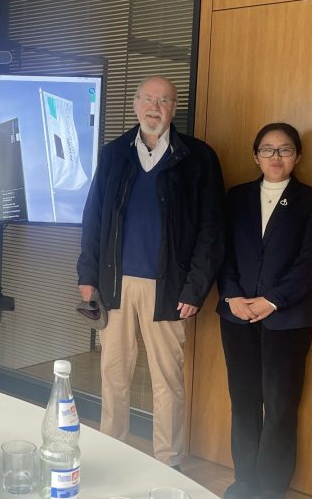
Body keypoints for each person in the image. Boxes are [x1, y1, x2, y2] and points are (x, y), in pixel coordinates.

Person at [77, 75, 224, 468]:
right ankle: (112, 453)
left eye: (164, 101)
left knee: (167, 380)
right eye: (148, 99)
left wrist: (195, 290)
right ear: (135, 104)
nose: (154, 108)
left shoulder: (198, 158)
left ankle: (167, 461)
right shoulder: (114, 154)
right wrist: (87, 276)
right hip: (114, 284)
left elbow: (212, 231)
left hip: (170, 288)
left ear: (174, 108)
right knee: (113, 374)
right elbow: (94, 218)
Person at [218, 123, 312, 499]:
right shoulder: (236, 197)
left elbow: (309, 262)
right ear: (256, 156)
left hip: (287, 319)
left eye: (285, 149)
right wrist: (232, 296)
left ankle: (269, 487)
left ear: (297, 156)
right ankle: (244, 481)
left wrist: (272, 300)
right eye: (267, 149)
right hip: (237, 316)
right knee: (243, 400)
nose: (275, 156)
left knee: (280, 405)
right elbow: (221, 251)